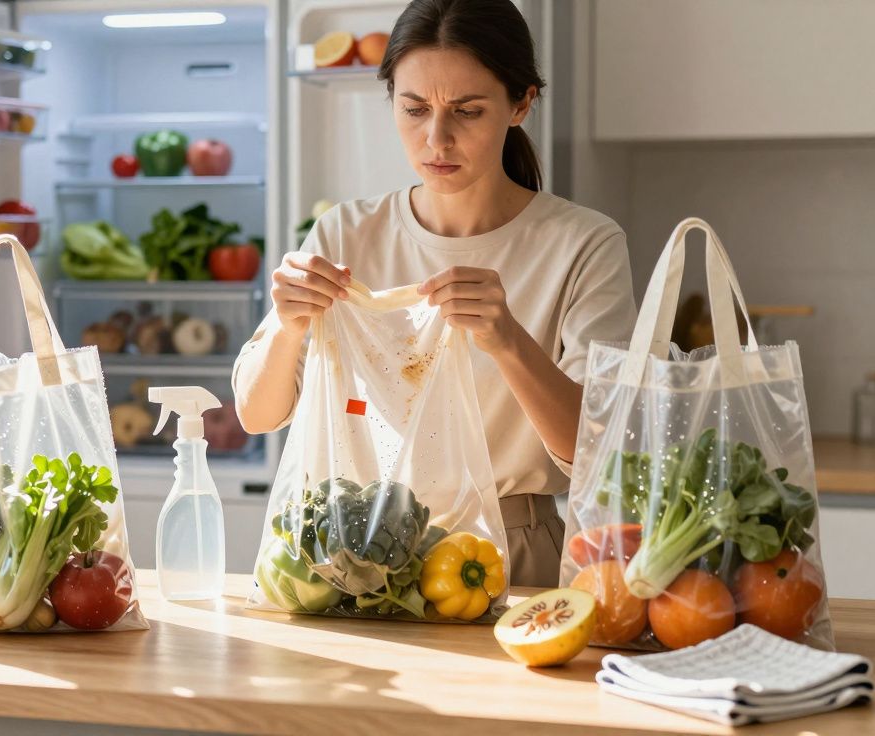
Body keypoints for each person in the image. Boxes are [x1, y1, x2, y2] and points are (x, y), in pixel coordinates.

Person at [232, 0, 636, 587]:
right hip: (350, 553)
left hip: (504, 554)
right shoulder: (346, 233)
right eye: (414, 108)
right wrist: (289, 326)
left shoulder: (583, 244)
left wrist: (507, 341)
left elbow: (600, 452)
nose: (436, 138)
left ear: (521, 103)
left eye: (467, 111)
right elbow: (256, 414)